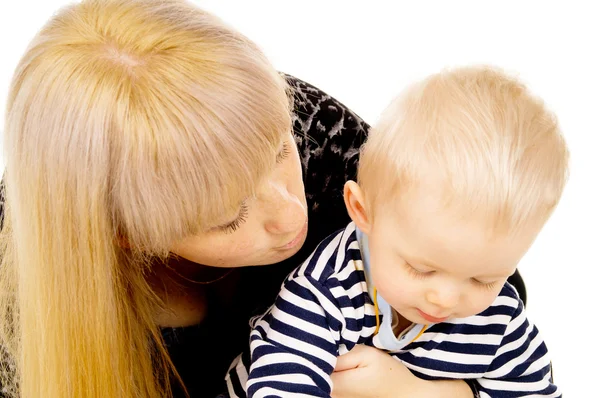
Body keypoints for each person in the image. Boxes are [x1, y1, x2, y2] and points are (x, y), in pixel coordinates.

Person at [0, 1, 522, 397]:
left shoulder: (311, 129)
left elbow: (484, 278)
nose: (290, 214)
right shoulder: (20, 322)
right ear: (126, 235)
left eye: (279, 151)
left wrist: (424, 393)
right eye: (229, 219)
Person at [226, 66, 567, 397]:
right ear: (362, 211)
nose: (445, 299)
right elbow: (284, 383)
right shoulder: (323, 290)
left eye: (484, 279)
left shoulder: (500, 322)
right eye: (421, 268)